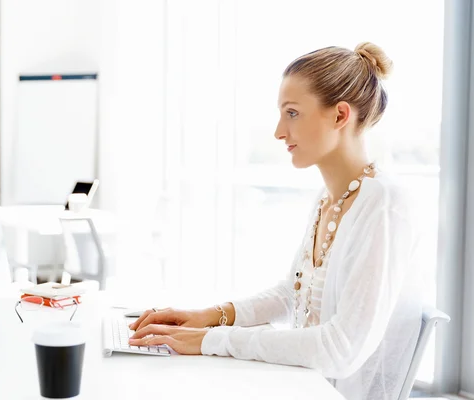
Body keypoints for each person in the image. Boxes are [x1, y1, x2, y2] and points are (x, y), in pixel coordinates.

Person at [128, 42, 423, 400]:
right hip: (299, 382)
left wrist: (213, 340)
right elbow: (292, 295)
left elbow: (340, 350)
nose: (279, 131)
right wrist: (209, 316)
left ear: (340, 116)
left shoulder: (386, 205)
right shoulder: (329, 198)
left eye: (292, 113)